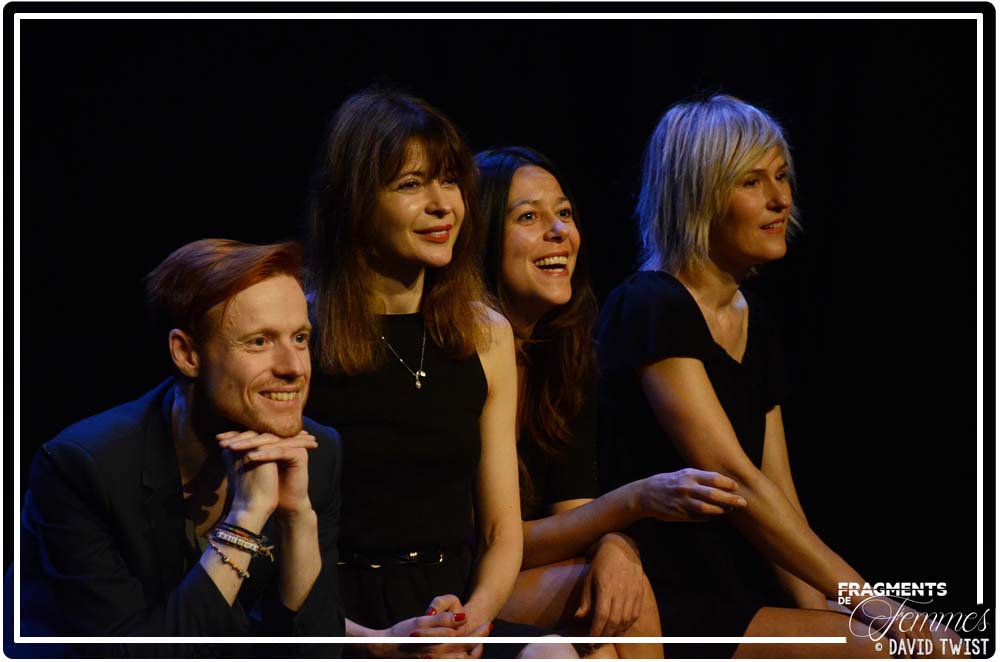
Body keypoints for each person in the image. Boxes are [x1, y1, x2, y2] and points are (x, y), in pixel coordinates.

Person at [596, 94, 961, 658]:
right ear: (698, 195)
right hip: (669, 598)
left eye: (782, 176)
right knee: (904, 647)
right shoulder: (651, 304)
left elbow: (779, 498)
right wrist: (879, 610)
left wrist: (825, 612)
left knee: (933, 648)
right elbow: (733, 480)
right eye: (752, 181)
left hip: (742, 591)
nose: (781, 198)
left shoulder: (753, 320)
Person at [303, 88, 576, 659]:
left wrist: (473, 620)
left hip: (452, 612)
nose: (441, 205)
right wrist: (380, 644)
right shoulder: (302, 335)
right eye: (411, 185)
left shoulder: (485, 333)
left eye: (449, 181)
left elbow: (502, 532)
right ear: (356, 202)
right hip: (344, 623)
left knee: (557, 653)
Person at [475, 146, 749, 659]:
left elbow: (577, 511)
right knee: (610, 600)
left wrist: (615, 546)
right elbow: (493, 541)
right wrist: (636, 501)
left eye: (564, 213)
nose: (559, 231)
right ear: (480, 238)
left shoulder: (564, 358)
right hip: (461, 584)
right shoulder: (459, 361)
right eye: (529, 217)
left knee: (616, 596)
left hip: (529, 574)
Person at [17, 239, 344, 658]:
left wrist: (297, 517)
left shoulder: (313, 452)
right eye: (260, 342)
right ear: (187, 354)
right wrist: (245, 520)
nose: (294, 367)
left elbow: (314, 648)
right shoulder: (83, 467)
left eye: (300, 338)